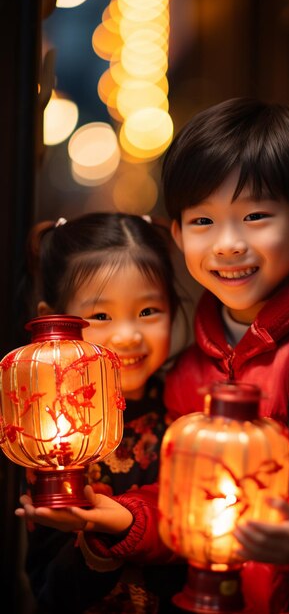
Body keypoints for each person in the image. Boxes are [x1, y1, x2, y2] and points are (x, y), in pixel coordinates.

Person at [17, 98, 289, 614]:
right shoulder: (189, 369)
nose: (227, 244)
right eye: (204, 220)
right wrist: (126, 519)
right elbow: (187, 500)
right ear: (178, 233)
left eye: (254, 216)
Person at [18, 212, 188, 614]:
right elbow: (49, 587)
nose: (128, 334)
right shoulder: (46, 430)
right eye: (100, 316)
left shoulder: (187, 406)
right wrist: (96, 545)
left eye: (148, 312)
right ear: (52, 319)